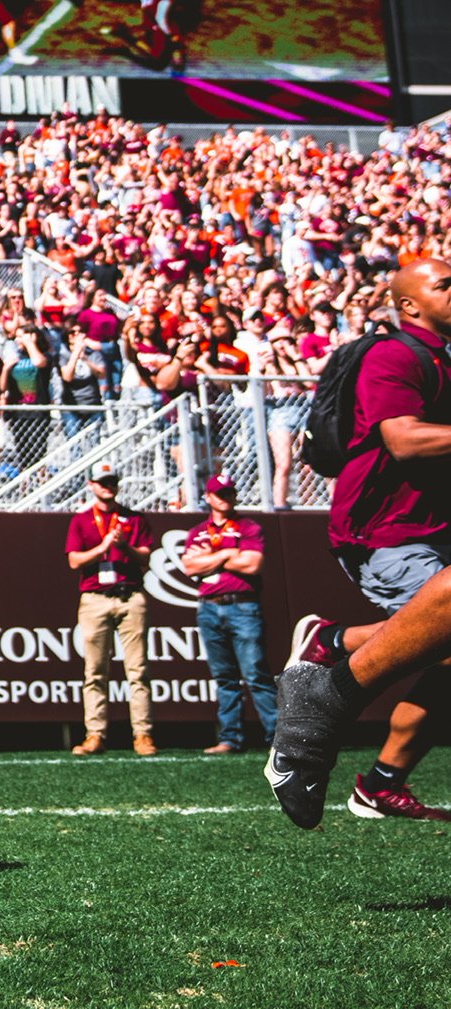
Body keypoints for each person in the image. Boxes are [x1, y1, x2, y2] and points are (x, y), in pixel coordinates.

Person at [268, 258, 451, 826]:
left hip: (431, 526)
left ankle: (380, 782)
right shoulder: (393, 353)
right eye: (445, 283)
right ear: (409, 306)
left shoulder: (442, 357)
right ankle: (331, 665)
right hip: (386, 529)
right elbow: (406, 440)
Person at [63, 464, 157, 756]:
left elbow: (145, 558)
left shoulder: (133, 518)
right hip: (95, 597)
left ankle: (142, 734)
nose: (108, 486)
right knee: (94, 670)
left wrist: (124, 546)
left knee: (138, 669)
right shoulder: (81, 520)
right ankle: (95, 734)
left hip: (130, 595)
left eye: (112, 482)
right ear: (91, 484)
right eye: (102, 482)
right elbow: (74, 561)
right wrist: (103, 547)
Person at [178, 474, 275, 756]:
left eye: (229, 493)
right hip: (209, 606)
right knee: (224, 677)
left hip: (242, 605)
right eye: (219, 494)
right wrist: (229, 555)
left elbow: (253, 564)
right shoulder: (197, 532)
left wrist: (213, 556)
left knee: (256, 673)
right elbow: (190, 568)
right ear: (208, 497)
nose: (225, 498)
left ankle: (277, 738)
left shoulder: (248, 527)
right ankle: (230, 738)